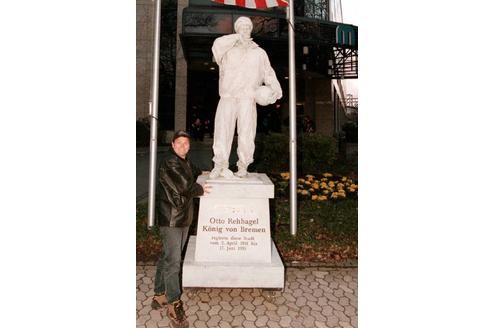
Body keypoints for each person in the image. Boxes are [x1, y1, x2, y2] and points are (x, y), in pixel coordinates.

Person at [210, 16, 282, 179]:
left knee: (247, 133)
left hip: (247, 98)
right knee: (222, 131)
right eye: (241, 26)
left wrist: (275, 89)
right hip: (228, 96)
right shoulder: (227, 49)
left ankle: (243, 165)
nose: (245, 29)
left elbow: (268, 73)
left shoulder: (259, 53)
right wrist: (237, 38)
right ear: (236, 29)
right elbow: (216, 46)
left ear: (251, 30)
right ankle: (219, 164)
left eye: (248, 26)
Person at [152, 130, 210, 328]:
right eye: (179, 143)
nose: (183, 146)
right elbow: (185, 185)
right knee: (174, 261)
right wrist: (201, 189)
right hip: (171, 219)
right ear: (172, 144)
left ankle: (159, 295)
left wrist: (204, 173)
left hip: (182, 217)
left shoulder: (183, 160)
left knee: (167, 256)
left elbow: (193, 170)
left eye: (186, 143)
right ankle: (173, 303)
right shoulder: (170, 162)